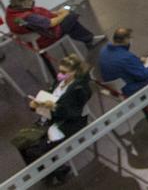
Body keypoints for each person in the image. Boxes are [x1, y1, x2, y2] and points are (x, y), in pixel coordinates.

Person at [11, 54, 91, 185]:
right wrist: (36, 105)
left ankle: (55, 170)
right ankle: (48, 171)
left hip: (68, 124)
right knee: (21, 142)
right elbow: (48, 98)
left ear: (75, 72)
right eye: (60, 71)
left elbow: (74, 113)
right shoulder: (59, 83)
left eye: (64, 72)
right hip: (49, 120)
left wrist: (54, 107)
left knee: (34, 150)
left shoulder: (80, 89)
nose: (60, 74)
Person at [5, 0, 102, 52]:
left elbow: (40, 18)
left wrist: (57, 13)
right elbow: (50, 23)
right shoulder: (28, 16)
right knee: (71, 17)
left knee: (70, 21)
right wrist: (64, 14)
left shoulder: (11, 13)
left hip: (37, 37)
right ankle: (89, 40)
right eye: (31, 0)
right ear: (24, 2)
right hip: (46, 37)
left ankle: (88, 39)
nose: (33, 2)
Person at [99, 27, 148, 97]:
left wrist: (138, 60)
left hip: (114, 87)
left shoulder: (104, 50)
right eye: (130, 38)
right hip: (128, 89)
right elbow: (143, 75)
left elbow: (118, 61)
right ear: (125, 39)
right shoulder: (126, 57)